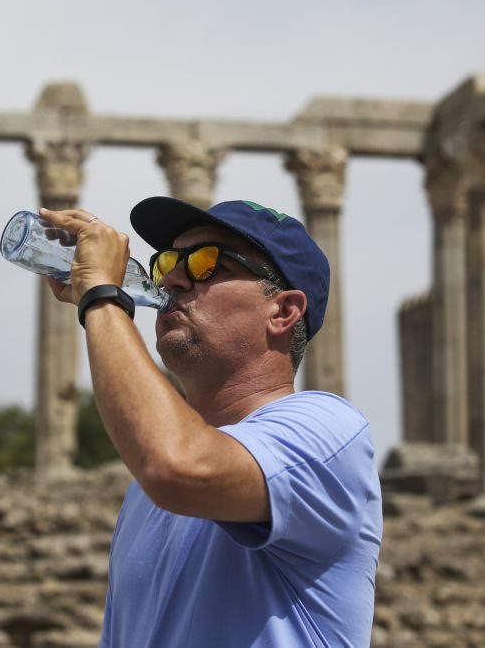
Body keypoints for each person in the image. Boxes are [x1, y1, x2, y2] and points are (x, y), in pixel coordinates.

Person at [40, 196, 382, 648]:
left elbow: (175, 463)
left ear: (283, 311)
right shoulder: (144, 493)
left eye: (206, 264)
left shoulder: (329, 432)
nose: (173, 280)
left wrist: (103, 298)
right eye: (167, 263)